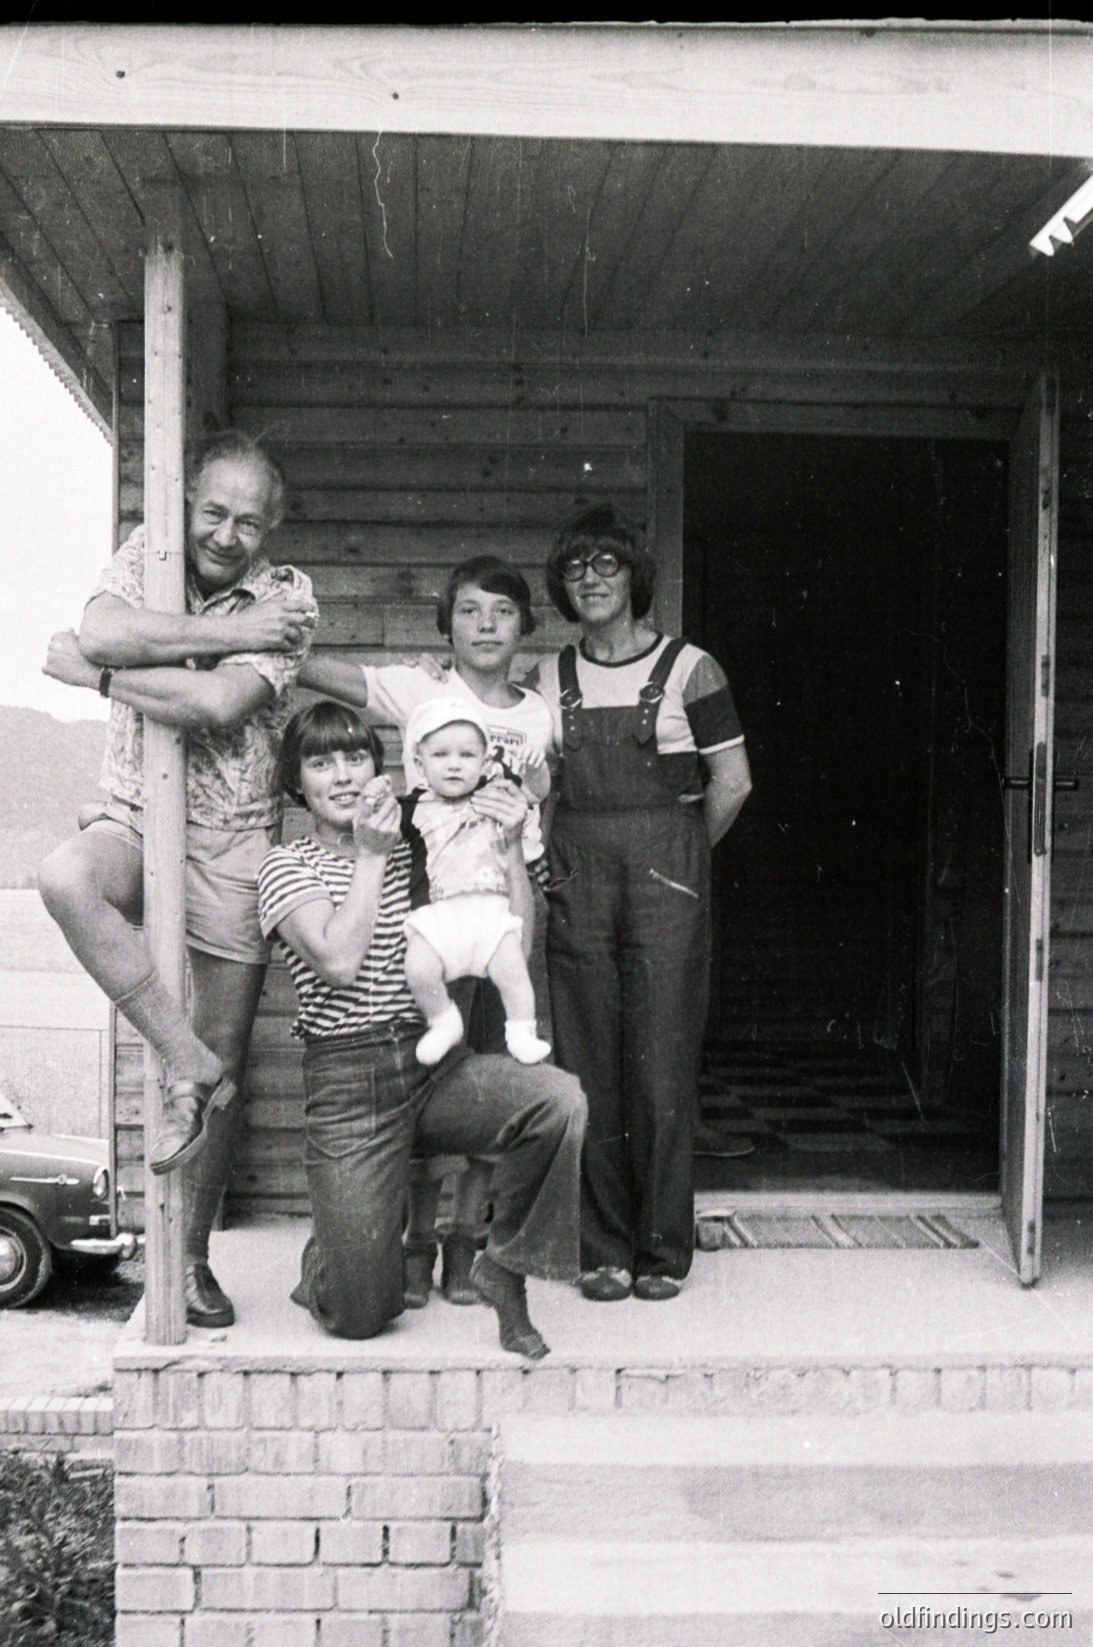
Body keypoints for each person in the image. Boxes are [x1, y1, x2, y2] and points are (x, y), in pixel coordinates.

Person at [37, 431, 317, 1331]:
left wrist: (102, 672)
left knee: (228, 1050)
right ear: (188, 500)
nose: (227, 534)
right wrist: (222, 635)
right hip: (131, 815)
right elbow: (101, 626)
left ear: (271, 527)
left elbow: (214, 704)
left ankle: (189, 1261)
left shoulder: (289, 597)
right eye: (214, 512)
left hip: (234, 842)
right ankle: (178, 1055)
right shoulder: (147, 550)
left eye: (248, 520)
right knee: (64, 878)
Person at [256, 700, 586, 1359]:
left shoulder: (422, 846)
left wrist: (509, 851)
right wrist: (372, 858)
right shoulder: (284, 866)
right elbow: (340, 962)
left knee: (558, 1101)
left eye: (355, 757)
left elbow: (510, 943)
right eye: (321, 762)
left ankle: (505, 1264)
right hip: (348, 1083)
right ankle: (337, 1244)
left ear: (380, 772)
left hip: (433, 1062)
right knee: (360, 1314)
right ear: (297, 782)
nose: (343, 775)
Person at [299, 556, 554, 1305]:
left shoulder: (538, 714)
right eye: (469, 610)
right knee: (423, 1064)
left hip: (503, 894)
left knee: (490, 1069)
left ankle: (464, 1240)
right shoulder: (422, 689)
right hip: (426, 895)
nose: (484, 625)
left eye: (502, 611)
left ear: (523, 627)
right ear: (445, 624)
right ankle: (410, 1239)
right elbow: (336, 678)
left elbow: (544, 796)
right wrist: (266, 645)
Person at [529, 504, 753, 1303]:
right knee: (587, 1061)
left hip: (667, 877)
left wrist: (679, 860)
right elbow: (533, 789)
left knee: (661, 1063)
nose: (590, 579)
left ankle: (663, 1248)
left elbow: (731, 784)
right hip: (578, 873)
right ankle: (604, 1249)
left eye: (607, 564)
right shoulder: (548, 680)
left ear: (634, 577)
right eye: (575, 567)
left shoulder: (693, 669)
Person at [400, 697, 551, 1067]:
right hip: (441, 917)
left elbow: (537, 791)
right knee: (418, 966)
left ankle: (521, 1032)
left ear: (485, 763)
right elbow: (380, 834)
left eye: (467, 756)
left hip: (490, 911)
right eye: (440, 755)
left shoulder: (497, 792)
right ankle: (443, 1020)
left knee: (513, 972)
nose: (454, 765)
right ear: (419, 764)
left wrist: (535, 769)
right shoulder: (413, 807)